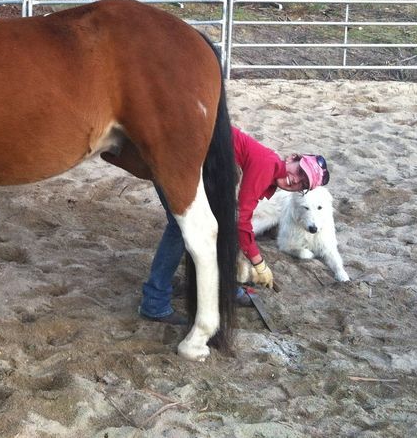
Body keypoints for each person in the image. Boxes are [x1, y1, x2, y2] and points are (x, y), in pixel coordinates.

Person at [138, 126, 330, 325]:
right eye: (299, 171)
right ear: (291, 158)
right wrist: (259, 263)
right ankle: (155, 303)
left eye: (302, 184)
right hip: (178, 154)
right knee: (180, 227)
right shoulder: (267, 165)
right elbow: (242, 222)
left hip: (191, 156)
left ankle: (224, 286)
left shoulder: (270, 167)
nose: (295, 180)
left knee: (209, 223)